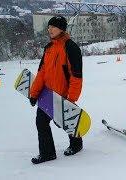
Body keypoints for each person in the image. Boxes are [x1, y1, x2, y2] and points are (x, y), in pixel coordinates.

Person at [29, 15, 83, 164]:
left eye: (53, 27)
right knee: (41, 122)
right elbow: (42, 73)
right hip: (47, 95)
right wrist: (34, 93)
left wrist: (70, 100)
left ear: (61, 29)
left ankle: (76, 144)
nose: (49, 29)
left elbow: (76, 77)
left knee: (69, 122)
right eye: (49, 27)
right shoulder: (49, 48)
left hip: (64, 96)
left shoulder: (71, 47)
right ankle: (47, 153)